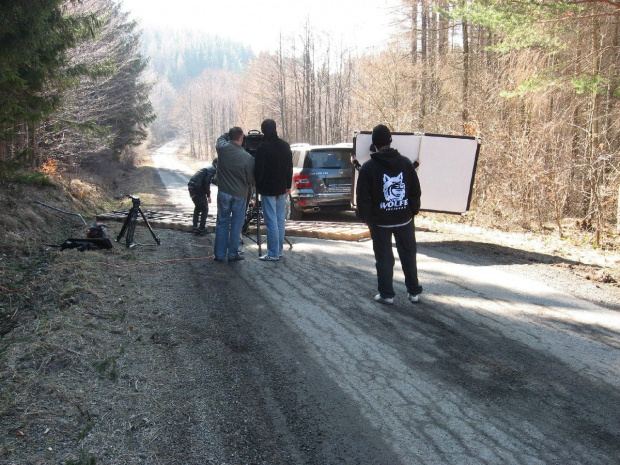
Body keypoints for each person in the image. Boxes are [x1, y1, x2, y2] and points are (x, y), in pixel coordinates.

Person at [356, 124, 423, 304]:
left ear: (374, 144)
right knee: (408, 255)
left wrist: (368, 219)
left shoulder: (368, 168)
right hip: (404, 219)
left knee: (384, 258)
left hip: (380, 222)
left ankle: (387, 295)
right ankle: (414, 292)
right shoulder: (406, 163)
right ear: (390, 141)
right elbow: (415, 191)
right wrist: (412, 211)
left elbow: (362, 197)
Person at [254, 119, 293, 262]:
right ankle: (279, 250)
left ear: (263, 130)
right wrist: (288, 185)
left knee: (271, 221)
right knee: (280, 220)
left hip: (268, 189)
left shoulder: (262, 147)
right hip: (282, 187)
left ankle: (273, 253)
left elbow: (259, 171)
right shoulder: (285, 145)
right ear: (275, 128)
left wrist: (258, 185)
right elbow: (290, 167)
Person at [214, 127, 254, 262]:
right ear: (242, 138)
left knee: (222, 223)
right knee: (236, 224)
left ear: (229, 137)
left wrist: (229, 135)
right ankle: (232, 254)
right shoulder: (247, 157)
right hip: (240, 195)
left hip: (223, 192)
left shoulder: (222, 148)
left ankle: (219, 255)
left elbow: (220, 138)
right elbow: (250, 180)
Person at [187, 158, 217, 234]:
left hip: (193, 187)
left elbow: (211, 181)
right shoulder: (212, 169)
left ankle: (195, 227)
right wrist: (208, 195)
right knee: (205, 208)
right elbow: (206, 182)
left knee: (198, 207)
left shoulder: (210, 168)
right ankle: (202, 228)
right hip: (197, 189)